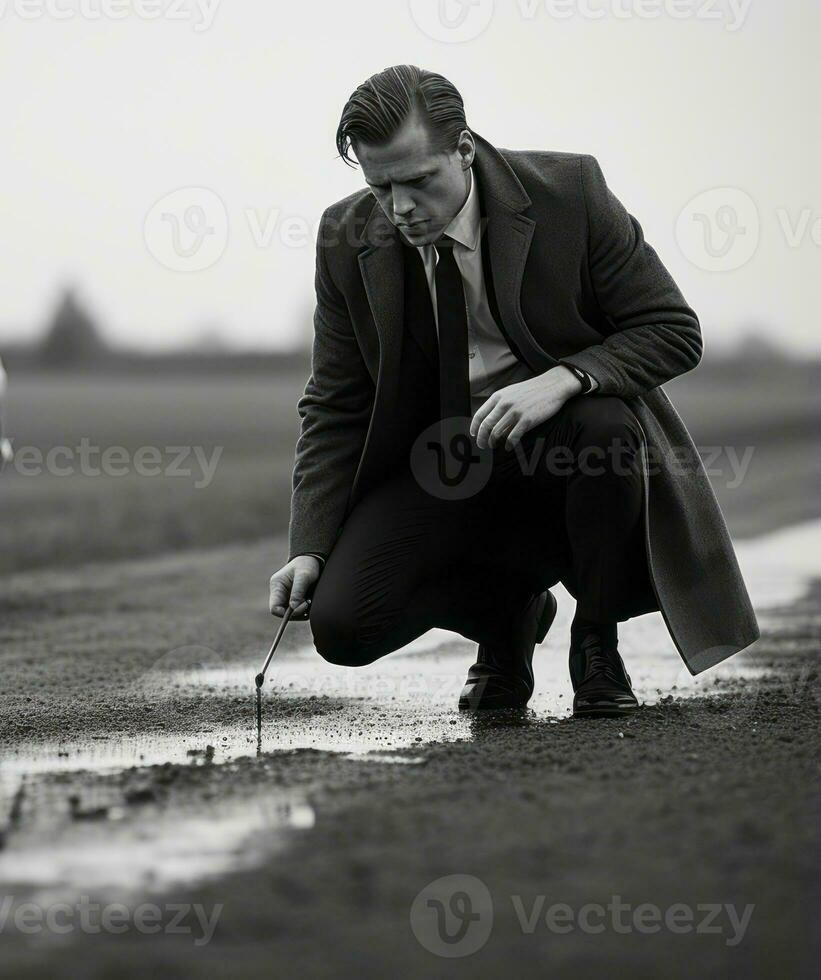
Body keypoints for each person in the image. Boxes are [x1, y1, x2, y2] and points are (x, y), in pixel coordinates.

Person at [268, 65, 758, 717]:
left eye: (418, 182)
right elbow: (334, 404)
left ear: (464, 150)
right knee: (341, 627)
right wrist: (309, 546)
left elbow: (670, 329)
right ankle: (510, 618)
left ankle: (595, 641)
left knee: (606, 426)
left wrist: (561, 380)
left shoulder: (570, 193)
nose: (400, 208)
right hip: (437, 464)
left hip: (563, 448)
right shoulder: (345, 237)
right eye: (379, 186)